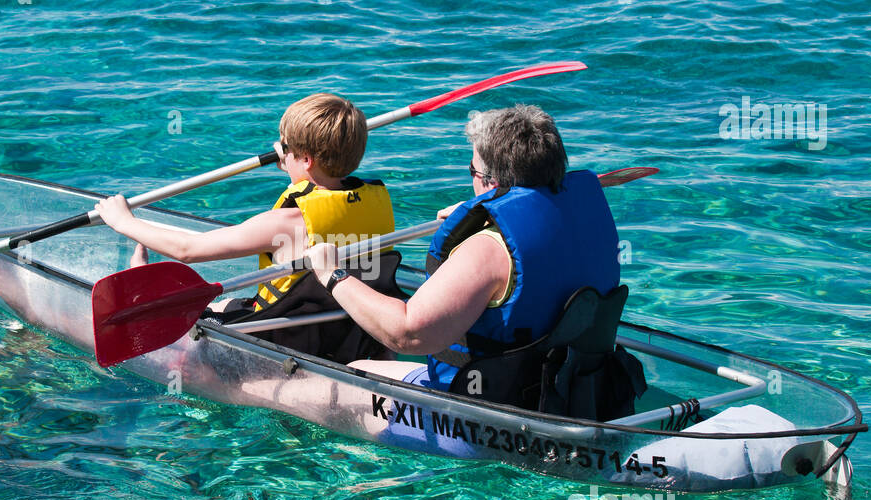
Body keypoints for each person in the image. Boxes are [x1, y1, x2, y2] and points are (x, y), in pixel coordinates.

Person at [306, 104, 632, 412]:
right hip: (577, 393)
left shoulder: (487, 249)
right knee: (366, 367)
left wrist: (332, 273)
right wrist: (485, 212)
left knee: (323, 381)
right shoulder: (583, 221)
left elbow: (407, 334)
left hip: (484, 413)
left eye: (473, 170)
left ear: (492, 181)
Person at [93, 93, 400, 360]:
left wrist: (124, 222)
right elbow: (325, 193)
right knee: (228, 304)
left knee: (194, 319)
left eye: (286, 147)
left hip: (288, 335)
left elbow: (188, 250)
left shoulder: (289, 222)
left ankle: (143, 287)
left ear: (306, 159)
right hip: (346, 329)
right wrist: (295, 161)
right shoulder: (376, 198)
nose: (280, 151)